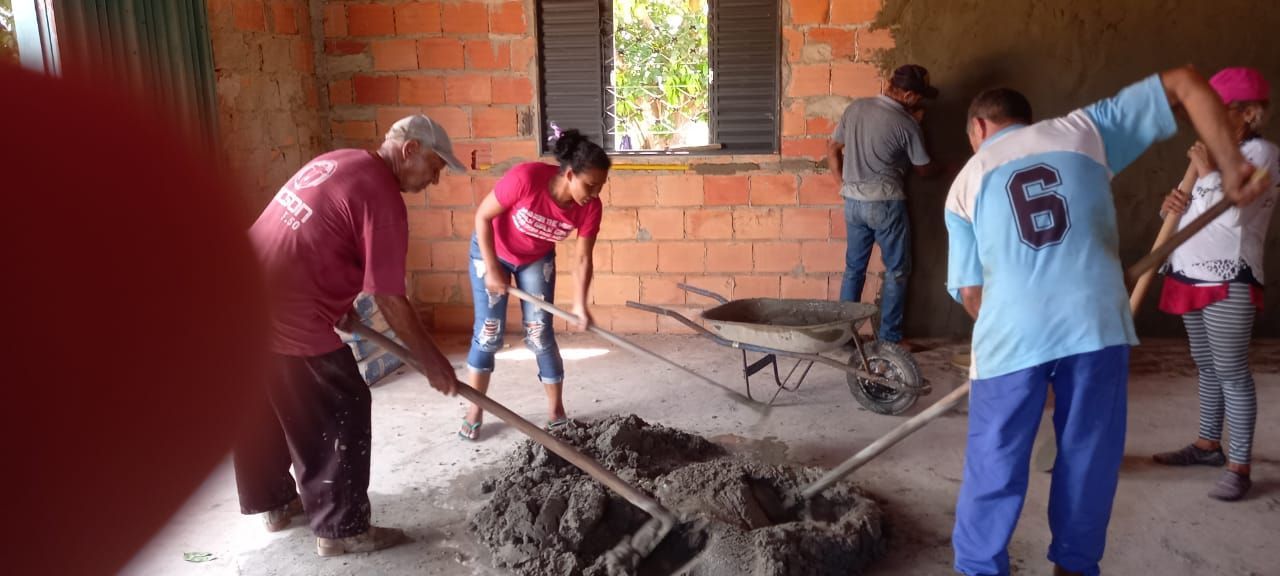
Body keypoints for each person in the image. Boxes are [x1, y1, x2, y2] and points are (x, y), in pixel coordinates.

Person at [944, 67, 1271, 576]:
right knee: (1088, 457)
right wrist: (1230, 165)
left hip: (1011, 335)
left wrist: (1018, 338)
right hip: (1095, 321)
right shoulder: (1085, 129)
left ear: (980, 129)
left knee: (995, 462)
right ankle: (1074, 567)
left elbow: (971, 294)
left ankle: (978, 569)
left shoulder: (966, 182)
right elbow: (1185, 81)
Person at [236, 114, 464, 556]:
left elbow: (315, 238)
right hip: (286, 311)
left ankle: (274, 503)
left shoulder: (342, 162)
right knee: (342, 403)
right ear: (410, 150)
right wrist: (431, 361)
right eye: (435, 168)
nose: (434, 181)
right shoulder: (383, 198)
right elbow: (390, 297)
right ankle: (343, 530)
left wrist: (338, 307)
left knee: (267, 400)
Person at [1152, 67, 1278, 501]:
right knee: (1207, 368)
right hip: (1188, 273)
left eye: (1214, 112)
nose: (1204, 121)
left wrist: (1206, 173)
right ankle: (1208, 445)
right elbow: (1196, 215)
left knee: (1232, 373)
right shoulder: (1218, 155)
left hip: (1228, 277)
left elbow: (1234, 214)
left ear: (1245, 114)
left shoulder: (1261, 154)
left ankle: (1239, 467)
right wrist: (1173, 207)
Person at [459, 129, 610, 440]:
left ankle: (556, 411)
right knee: (489, 332)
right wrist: (491, 268)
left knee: (540, 333)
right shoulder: (526, 178)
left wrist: (580, 304)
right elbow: (482, 217)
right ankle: (475, 407)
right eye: (589, 185)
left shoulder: (591, 207)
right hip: (492, 250)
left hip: (535, 259)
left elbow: (583, 259)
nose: (594, 193)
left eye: (600, 187)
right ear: (570, 174)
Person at [828, 64, 943, 348]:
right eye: (919, 96)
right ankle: (890, 338)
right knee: (896, 270)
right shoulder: (907, 125)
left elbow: (832, 148)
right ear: (907, 93)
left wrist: (843, 185)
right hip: (885, 204)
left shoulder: (856, 108)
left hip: (853, 203)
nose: (920, 102)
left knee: (854, 269)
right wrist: (949, 165)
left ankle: (845, 336)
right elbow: (923, 169)